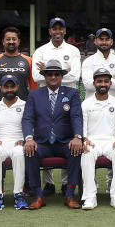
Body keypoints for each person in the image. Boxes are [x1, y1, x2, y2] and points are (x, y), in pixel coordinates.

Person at [22, 59, 85, 209]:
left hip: (64, 142)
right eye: (49, 74)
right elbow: (27, 118)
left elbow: (76, 116)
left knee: (76, 149)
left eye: (57, 74)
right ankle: (38, 196)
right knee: (30, 151)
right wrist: (29, 139)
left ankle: (69, 195)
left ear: (62, 76)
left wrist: (77, 137)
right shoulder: (34, 95)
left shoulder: (72, 93)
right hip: (43, 142)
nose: (53, 77)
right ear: (44, 76)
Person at [79, 68, 115, 209]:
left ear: (110, 83)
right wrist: (84, 139)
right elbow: (83, 126)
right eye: (99, 81)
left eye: (106, 81)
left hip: (111, 141)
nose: (103, 84)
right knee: (86, 153)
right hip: (92, 141)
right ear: (94, 83)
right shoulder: (86, 104)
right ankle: (90, 197)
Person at [0, 76, 30, 210]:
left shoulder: (25, 105)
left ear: (17, 87)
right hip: (1, 142)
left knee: (18, 153)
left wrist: (24, 139)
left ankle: (19, 195)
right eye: (6, 86)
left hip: (19, 141)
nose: (9, 89)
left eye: (12, 86)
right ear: (1, 88)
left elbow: (30, 126)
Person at [0, 26, 36, 101]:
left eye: (14, 39)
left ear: (18, 41)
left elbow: (34, 87)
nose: (11, 42)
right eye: (8, 39)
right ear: (3, 41)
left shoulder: (29, 61)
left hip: (23, 106)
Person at [81, 28, 115, 100]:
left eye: (107, 39)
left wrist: (97, 81)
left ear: (111, 41)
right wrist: (112, 79)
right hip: (92, 106)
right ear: (95, 41)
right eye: (101, 39)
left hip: (114, 105)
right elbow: (88, 85)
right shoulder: (88, 61)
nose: (104, 42)